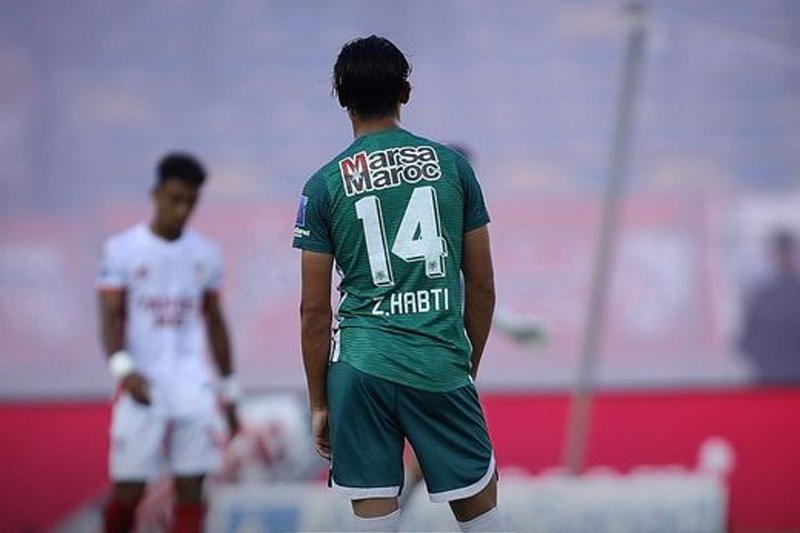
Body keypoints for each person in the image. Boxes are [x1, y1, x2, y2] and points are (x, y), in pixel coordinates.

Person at [293, 36, 504, 532]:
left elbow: (314, 310)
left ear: (341, 99)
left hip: (359, 370)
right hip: (438, 364)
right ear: (405, 92)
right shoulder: (454, 169)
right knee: (484, 521)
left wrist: (321, 402)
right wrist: (464, 367)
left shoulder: (321, 186)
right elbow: (482, 287)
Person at [96, 152, 241, 533]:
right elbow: (109, 316)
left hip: (193, 386)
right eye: (175, 198)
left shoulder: (205, 254)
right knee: (128, 490)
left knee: (191, 488)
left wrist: (229, 390)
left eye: (190, 201)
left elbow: (215, 321)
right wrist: (123, 370)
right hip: (142, 384)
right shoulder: (122, 250)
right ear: (157, 193)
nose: (182, 209)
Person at [739, 228, 800, 383]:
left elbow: (746, 343)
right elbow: (747, 342)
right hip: (770, 380)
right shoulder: (761, 296)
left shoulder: (761, 296)